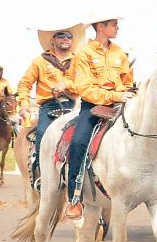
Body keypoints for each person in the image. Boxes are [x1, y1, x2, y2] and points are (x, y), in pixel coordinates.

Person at [64, 15, 135, 221]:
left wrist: (128, 94)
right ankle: (74, 198)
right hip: (93, 106)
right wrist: (114, 95)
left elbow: (127, 81)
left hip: (120, 103)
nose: (118, 27)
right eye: (114, 25)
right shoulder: (84, 53)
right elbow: (84, 88)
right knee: (78, 142)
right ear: (101, 27)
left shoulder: (119, 53)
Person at [17, 24, 85, 184]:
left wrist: (67, 86)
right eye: (61, 35)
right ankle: (43, 176)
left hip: (73, 106)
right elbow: (25, 84)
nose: (66, 39)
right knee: (42, 133)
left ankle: (83, 175)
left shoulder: (79, 61)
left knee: (86, 136)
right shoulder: (39, 61)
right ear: (53, 40)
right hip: (49, 107)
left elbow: (84, 84)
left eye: (69, 36)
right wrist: (25, 105)